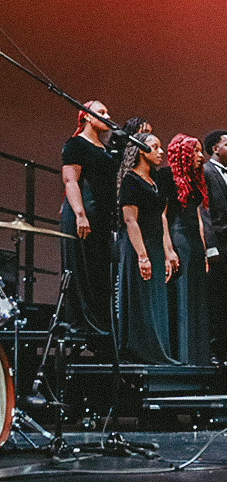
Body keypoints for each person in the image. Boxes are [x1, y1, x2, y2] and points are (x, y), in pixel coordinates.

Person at [117, 133, 180, 365]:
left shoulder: (154, 181)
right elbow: (130, 220)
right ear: (142, 151)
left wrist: (165, 253)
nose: (161, 151)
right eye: (155, 147)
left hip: (155, 245)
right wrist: (142, 256)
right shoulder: (131, 180)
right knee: (141, 297)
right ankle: (141, 351)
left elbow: (161, 218)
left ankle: (158, 350)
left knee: (156, 300)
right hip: (138, 247)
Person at [60, 100, 119, 340]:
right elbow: (70, 180)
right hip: (83, 212)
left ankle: (100, 326)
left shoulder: (105, 149)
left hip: (102, 217)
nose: (107, 115)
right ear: (86, 116)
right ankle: (80, 324)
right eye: (101, 112)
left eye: (108, 111)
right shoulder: (75, 144)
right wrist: (80, 214)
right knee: (81, 267)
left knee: (99, 272)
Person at [155, 134, 211, 365]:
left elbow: (197, 216)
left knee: (197, 297)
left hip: (194, 242)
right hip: (178, 239)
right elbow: (162, 215)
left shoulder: (195, 179)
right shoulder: (166, 176)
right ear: (183, 153)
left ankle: (197, 357)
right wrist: (168, 249)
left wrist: (205, 250)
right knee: (181, 295)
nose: (201, 156)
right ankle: (181, 355)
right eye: (196, 151)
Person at [202, 129, 227, 365]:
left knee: (225, 301)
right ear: (216, 148)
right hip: (216, 247)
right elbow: (205, 211)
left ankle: (224, 353)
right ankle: (212, 352)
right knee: (213, 301)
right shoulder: (206, 172)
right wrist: (210, 246)